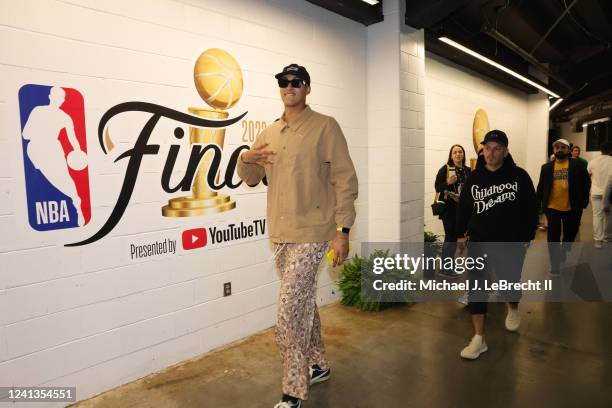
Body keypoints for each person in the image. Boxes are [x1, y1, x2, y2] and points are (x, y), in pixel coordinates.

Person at [237, 64, 358, 408]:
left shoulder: (325, 127)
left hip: (314, 232)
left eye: (296, 82)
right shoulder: (269, 132)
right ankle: (318, 364)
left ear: (307, 88)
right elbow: (249, 176)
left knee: (288, 311)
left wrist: (342, 230)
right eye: (283, 82)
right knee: (303, 300)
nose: (289, 87)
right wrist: (246, 157)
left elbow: (345, 180)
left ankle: (293, 390)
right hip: (280, 233)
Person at [456, 130, 537, 359]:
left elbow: (531, 208)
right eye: (487, 148)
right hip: (479, 242)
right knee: (477, 289)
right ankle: (479, 339)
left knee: (508, 283)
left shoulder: (519, 176)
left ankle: (512, 307)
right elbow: (464, 207)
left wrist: (526, 237)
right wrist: (460, 234)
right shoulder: (474, 178)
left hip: (510, 243)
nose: (491, 153)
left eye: (497, 148)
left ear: (506, 151)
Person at [22, 86, 86, 226]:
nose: (60, 100)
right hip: (36, 150)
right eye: (58, 97)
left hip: (52, 149)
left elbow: (73, 139)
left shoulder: (64, 117)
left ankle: (77, 205)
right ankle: (75, 201)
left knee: (64, 180)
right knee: (49, 180)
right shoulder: (38, 111)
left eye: (61, 98)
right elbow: (25, 134)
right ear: (50, 96)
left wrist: (78, 152)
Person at [536, 139, 591, 274]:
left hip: (572, 208)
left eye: (563, 147)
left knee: (570, 235)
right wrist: (537, 206)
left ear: (568, 150)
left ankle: (565, 249)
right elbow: (541, 187)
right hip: (552, 208)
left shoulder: (578, 165)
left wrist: (583, 202)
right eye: (557, 147)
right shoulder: (546, 167)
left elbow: (586, 183)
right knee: (552, 238)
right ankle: (555, 266)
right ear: (553, 150)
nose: (559, 149)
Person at [434, 144, 471, 277]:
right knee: (450, 237)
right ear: (451, 155)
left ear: (463, 154)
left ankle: (450, 266)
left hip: (462, 209)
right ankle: (446, 268)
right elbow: (438, 187)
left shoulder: (468, 170)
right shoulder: (445, 169)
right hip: (449, 210)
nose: (458, 154)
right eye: (455, 152)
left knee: (456, 237)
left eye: (460, 152)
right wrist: (448, 183)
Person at [587, 142, 612, 248]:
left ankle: (598, 240)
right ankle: (607, 238)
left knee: (597, 216)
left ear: (600, 150)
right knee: (609, 216)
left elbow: (588, 174)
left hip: (595, 192)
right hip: (610, 193)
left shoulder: (593, 162)